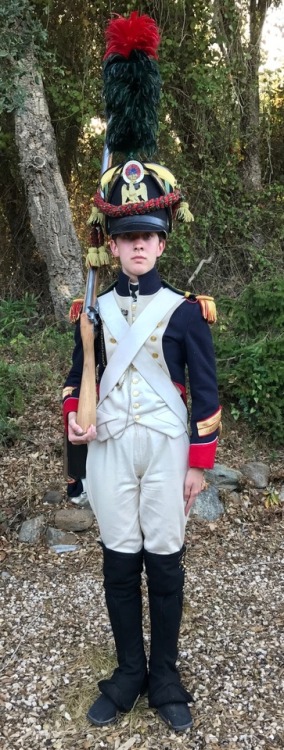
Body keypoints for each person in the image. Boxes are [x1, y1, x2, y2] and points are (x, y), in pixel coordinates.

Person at [62, 159, 221, 732]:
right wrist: (74, 423)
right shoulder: (94, 312)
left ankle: (166, 676)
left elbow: (204, 392)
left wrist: (199, 465)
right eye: (127, 235)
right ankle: (130, 671)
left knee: (166, 562)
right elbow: (76, 378)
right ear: (113, 244)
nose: (137, 245)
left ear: (161, 242)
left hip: (165, 450)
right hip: (109, 450)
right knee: (120, 559)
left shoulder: (184, 311)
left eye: (147, 235)